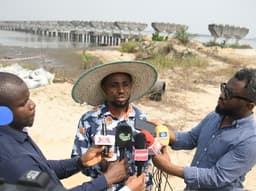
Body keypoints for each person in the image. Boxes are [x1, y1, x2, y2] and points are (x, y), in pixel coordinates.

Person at [0, 71, 146, 191]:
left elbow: (41, 170)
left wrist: (80, 162)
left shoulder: (15, 136)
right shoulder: (15, 160)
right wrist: (109, 179)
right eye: (23, 103)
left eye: (29, 98)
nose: (32, 105)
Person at [152, 68, 256, 191]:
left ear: (249, 105)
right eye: (224, 88)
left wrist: (168, 167)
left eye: (229, 94)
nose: (221, 95)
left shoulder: (250, 140)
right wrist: (162, 131)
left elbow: (216, 177)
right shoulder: (215, 116)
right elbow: (191, 138)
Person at [71, 61, 158, 190]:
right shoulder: (89, 119)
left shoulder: (142, 118)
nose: (121, 90)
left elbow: (151, 158)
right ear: (104, 88)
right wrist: (102, 166)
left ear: (131, 87)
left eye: (125, 84)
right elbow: (78, 160)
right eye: (114, 85)